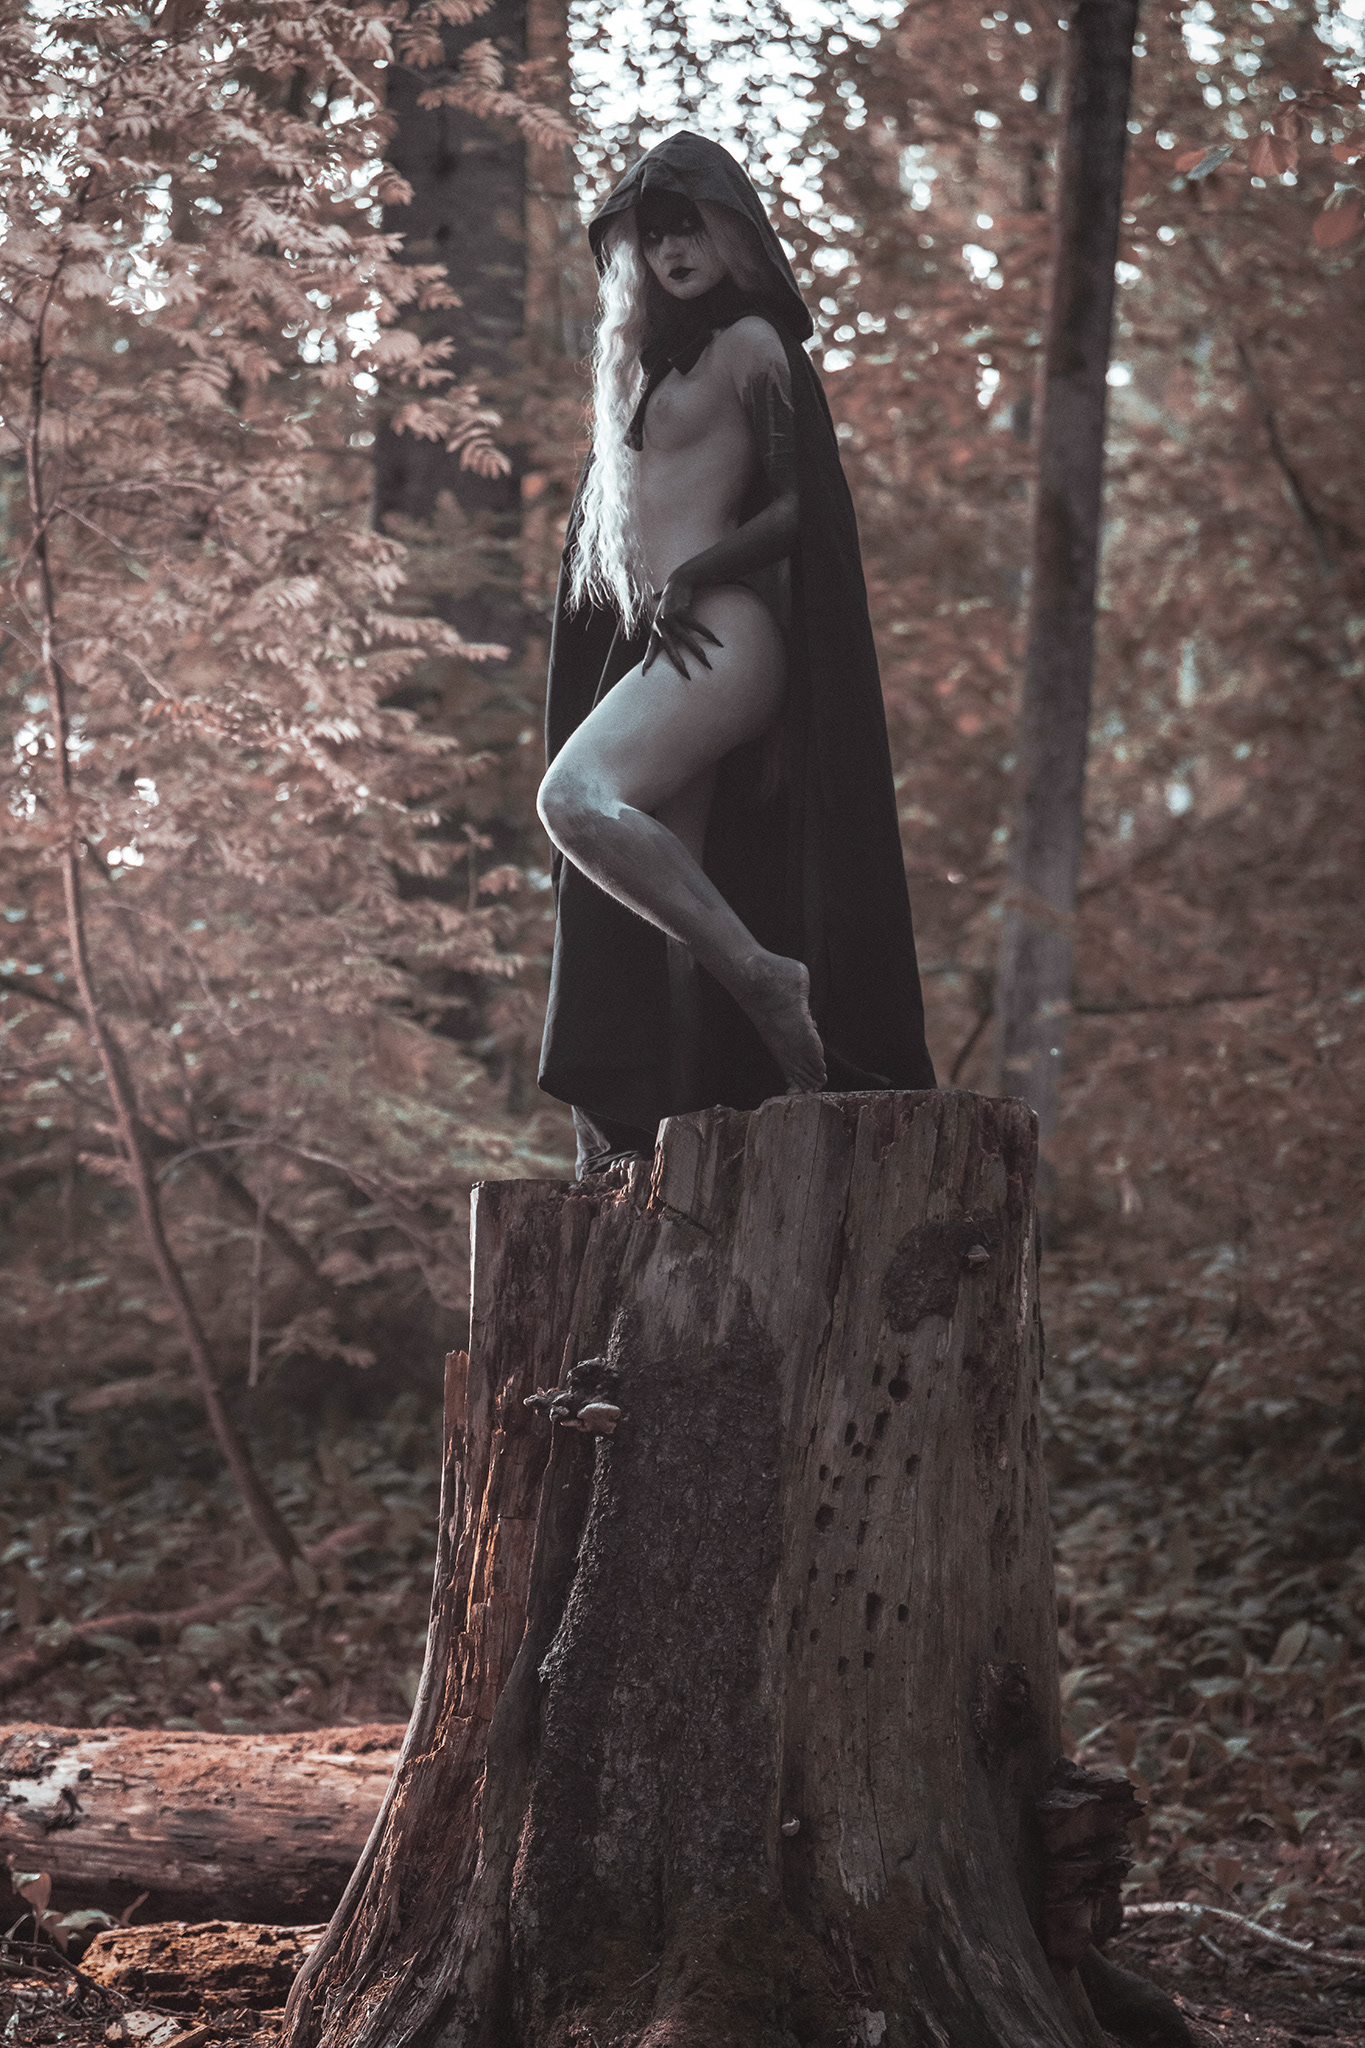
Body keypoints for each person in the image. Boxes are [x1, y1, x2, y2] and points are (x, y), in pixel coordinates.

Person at [537, 133, 936, 1178]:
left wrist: (694, 574)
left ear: (730, 232)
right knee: (670, 910)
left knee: (574, 800)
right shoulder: (638, 364)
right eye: (652, 234)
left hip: (728, 634)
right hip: (675, 644)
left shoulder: (753, 343)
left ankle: (767, 976)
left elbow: (801, 508)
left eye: (689, 227)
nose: (672, 249)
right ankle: (663, 1135)